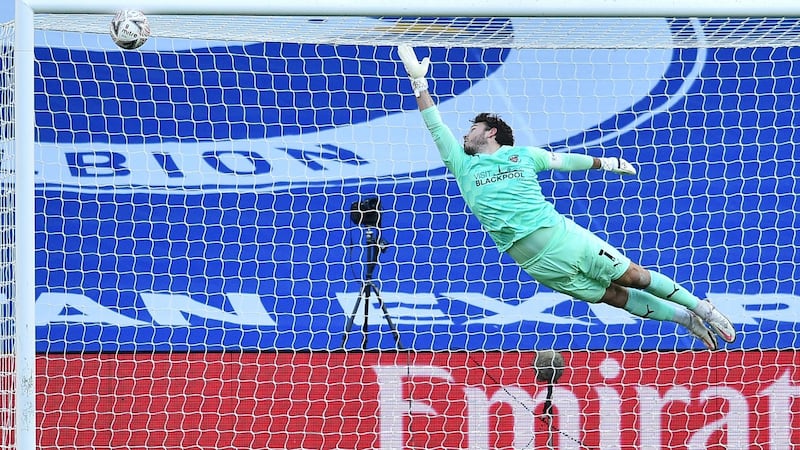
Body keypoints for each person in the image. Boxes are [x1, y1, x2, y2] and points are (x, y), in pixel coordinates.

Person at [397, 45, 736, 350]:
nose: (464, 134)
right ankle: (684, 319)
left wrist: (608, 163)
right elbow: (435, 126)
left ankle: (701, 307)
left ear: (491, 132)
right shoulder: (462, 165)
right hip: (535, 264)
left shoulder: (523, 155)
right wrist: (418, 83)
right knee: (615, 298)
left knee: (632, 276)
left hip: (562, 238)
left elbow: (565, 161)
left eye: (472, 129)